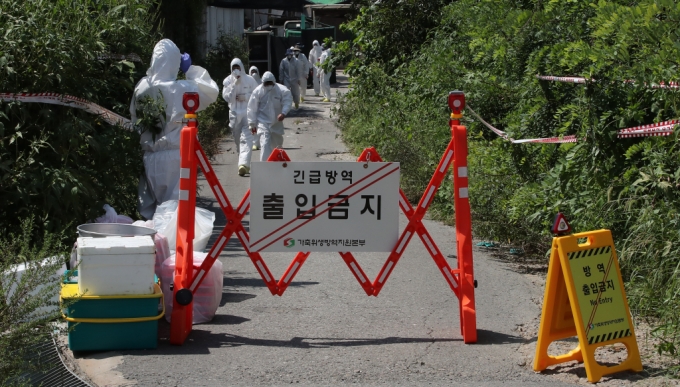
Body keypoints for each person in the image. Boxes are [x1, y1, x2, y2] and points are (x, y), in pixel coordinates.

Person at [130, 39, 219, 219]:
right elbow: (211, 91)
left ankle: (155, 246)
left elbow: (134, 118)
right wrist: (190, 69)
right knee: (175, 213)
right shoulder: (181, 88)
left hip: (150, 155)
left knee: (152, 211)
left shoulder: (142, 87)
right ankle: (172, 247)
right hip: (177, 156)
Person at [223, 58, 258, 176]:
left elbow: (257, 94)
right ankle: (242, 159)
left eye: (238, 67)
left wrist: (246, 97)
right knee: (238, 140)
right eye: (234, 68)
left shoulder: (250, 80)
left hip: (247, 113)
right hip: (234, 115)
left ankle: (244, 165)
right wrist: (234, 85)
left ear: (242, 67)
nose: (236, 70)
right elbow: (228, 98)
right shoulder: (227, 81)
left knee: (246, 139)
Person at [247, 71, 293, 162]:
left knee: (277, 146)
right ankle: (264, 168)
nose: (268, 85)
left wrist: (283, 113)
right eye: (266, 83)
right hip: (263, 122)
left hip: (276, 123)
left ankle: (276, 167)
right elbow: (252, 108)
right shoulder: (257, 91)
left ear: (274, 82)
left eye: (270, 83)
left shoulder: (282, 90)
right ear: (263, 83)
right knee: (264, 144)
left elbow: (287, 102)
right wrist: (252, 124)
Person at [249, 66, 262, 151]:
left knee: (261, 126)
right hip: (251, 107)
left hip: (260, 108)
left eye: (255, 72)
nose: (254, 74)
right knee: (252, 126)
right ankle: (254, 143)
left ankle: (261, 143)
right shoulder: (247, 82)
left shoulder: (261, 82)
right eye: (252, 71)